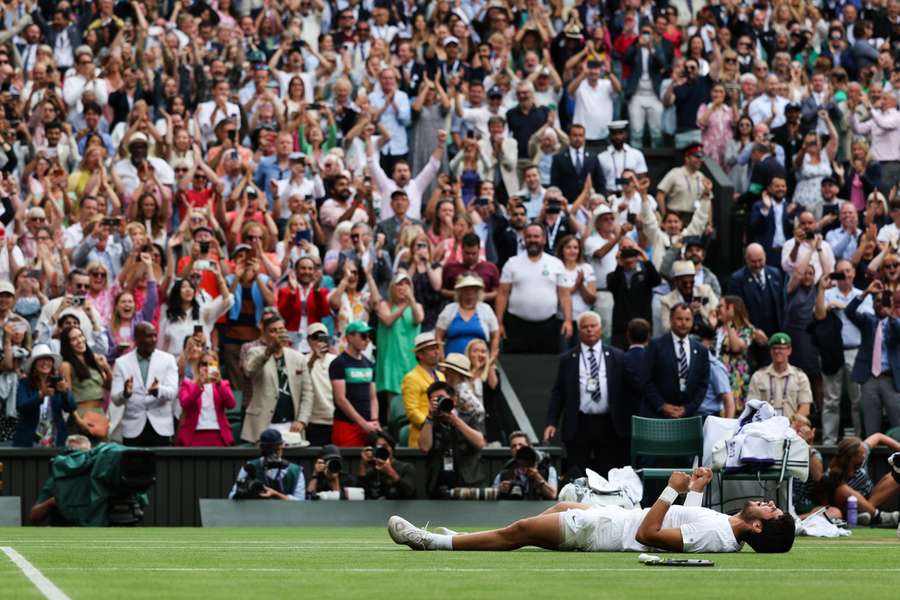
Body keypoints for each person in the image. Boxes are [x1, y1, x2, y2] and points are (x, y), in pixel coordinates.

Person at [388, 469, 795, 554]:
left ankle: (433, 542)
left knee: (521, 531)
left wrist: (671, 490)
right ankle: (483, 538)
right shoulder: (725, 528)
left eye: (772, 511)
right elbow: (685, 525)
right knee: (561, 506)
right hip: (612, 518)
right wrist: (695, 493)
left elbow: (649, 536)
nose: (771, 503)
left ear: (758, 527)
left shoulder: (721, 537)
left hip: (607, 532)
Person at [544, 311, 630, 478]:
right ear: (579, 330)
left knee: (608, 472)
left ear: (600, 329)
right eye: (585, 327)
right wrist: (551, 422)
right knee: (577, 472)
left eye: (593, 326)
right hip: (579, 424)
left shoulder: (617, 356)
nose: (589, 330)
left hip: (609, 423)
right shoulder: (568, 359)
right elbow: (558, 392)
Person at [496, 223, 572, 353]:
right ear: (524, 239)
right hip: (516, 326)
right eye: (529, 236)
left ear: (544, 239)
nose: (532, 240)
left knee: (546, 366)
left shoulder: (556, 263)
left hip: (548, 326)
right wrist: (499, 323)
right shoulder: (512, 263)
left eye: (536, 236)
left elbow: (564, 295)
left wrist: (568, 320)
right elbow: (502, 294)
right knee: (517, 367)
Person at [240, 313, 313, 444]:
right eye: (273, 331)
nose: (278, 334)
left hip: (292, 425)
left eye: (281, 330)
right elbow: (250, 371)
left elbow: (307, 392)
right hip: (263, 424)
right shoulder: (256, 352)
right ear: (265, 334)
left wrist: (302, 420)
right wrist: (269, 351)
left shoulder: (298, 357)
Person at [822, 260, 871, 443]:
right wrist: (827, 306)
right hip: (832, 351)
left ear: (853, 273)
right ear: (836, 275)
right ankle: (828, 441)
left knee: (857, 399)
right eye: (841, 272)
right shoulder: (827, 294)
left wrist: (844, 307)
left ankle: (858, 441)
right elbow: (816, 314)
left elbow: (868, 317)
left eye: (848, 271)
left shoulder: (863, 295)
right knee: (831, 400)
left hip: (856, 350)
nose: (845, 275)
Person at [109, 323, 178, 446]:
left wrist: (159, 390)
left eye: (155, 336)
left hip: (161, 428)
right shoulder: (121, 363)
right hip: (132, 429)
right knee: (134, 465)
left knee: (160, 465)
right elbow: (115, 399)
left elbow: (173, 392)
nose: (154, 340)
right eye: (148, 336)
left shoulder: (168, 360)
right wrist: (125, 394)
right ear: (136, 339)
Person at [845, 280, 900, 436]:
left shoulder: (895, 323)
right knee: (871, 426)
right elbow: (849, 312)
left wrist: (892, 316)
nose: (880, 304)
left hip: (891, 379)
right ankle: (870, 459)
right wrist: (866, 292)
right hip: (870, 379)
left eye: (884, 301)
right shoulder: (868, 321)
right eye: (877, 301)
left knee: (898, 423)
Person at [642, 304, 711, 419]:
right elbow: (646, 380)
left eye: (687, 319)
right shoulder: (655, 345)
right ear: (671, 320)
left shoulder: (701, 350)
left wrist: (688, 408)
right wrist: (662, 405)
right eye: (679, 319)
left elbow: (703, 384)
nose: (683, 323)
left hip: (688, 416)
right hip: (658, 416)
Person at [419, 381, 486, 498]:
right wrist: (430, 417)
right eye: (434, 400)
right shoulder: (429, 423)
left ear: (453, 399)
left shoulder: (468, 417)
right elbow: (424, 447)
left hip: (469, 484)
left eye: (441, 398)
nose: (439, 402)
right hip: (439, 486)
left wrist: (454, 420)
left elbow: (480, 442)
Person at [821, 434, 900, 527]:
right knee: (844, 491)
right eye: (862, 453)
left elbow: (878, 436)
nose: (864, 454)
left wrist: (899, 447)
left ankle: (868, 515)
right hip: (847, 510)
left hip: (872, 501)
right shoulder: (831, 474)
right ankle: (876, 516)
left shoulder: (862, 452)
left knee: (895, 476)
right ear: (852, 457)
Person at [13, 344, 76, 448]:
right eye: (41, 359)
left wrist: (65, 392)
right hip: (29, 439)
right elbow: (21, 406)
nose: (45, 362)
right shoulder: (25, 383)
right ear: (34, 364)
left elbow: (71, 407)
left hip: (55, 439)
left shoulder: (57, 382)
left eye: (48, 359)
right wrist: (40, 395)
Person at [375, 272, 423, 404]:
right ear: (392, 288)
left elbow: (418, 319)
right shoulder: (385, 305)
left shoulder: (416, 306)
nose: (403, 287)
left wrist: (411, 301)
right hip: (392, 360)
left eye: (407, 284)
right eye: (399, 284)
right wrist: (404, 305)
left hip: (410, 360)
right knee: (394, 402)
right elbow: (388, 321)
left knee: (412, 400)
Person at [330, 321, 379, 447]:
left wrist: (374, 420)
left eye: (369, 336)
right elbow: (340, 399)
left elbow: (373, 396)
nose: (367, 340)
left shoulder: (369, 364)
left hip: (367, 426)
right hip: (346, 426)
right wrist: (363, 423)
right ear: (350, 337)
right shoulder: (339, 363)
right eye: (363, 336)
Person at [747, 333, 813, 419]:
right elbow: (752, 406)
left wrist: (792, 423)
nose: (777, 351)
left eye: (781, 348)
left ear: (789, 350)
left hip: (791, 426)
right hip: (765, 426)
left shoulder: (800, 376)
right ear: (770, 351)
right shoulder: (758, 376)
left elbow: (805, 407)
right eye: (774, 348)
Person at [229, 429, 306, 501]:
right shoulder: (250, 467)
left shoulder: (295, 471)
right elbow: (232, 496)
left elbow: (300, 502)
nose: (273, 453)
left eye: (276, 449)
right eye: (269, 449)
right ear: (262, 449)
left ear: (281, 447)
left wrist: (276, 495)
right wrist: (247, 494)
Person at [435, 273, 499, 359]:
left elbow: (495, 336)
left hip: (479, 360)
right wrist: (441, 359)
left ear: (477, 291)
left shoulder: (486, 309)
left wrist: (492, 359)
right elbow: (438, 335)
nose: (469, 291)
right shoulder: (449, 309)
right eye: (465, 288)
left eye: (472, 288)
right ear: (460, 291)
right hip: (452, 360)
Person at [401, 332, 445, 448]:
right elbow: (412, 411)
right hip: (421, 440)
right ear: (420, 355)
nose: (436, 352)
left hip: (442, 437)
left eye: (436, 348)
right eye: (431, 349)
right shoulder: (411, 378)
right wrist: (430, 426)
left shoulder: (441, 376)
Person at [493, 431, 558, 500]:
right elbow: (491, 493)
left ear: (529, 447)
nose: (517, 448)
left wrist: (538, 477)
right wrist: (500, 490)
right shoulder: (506, 470)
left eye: (521, 445)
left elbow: (553, 495)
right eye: (513, 446)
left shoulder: (546, 468)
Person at [358, 431, 416, 500]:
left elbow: (410, 493)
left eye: (385, 446)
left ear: (391, 448)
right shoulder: (370, 472)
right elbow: (360, 497)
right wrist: (363, 465)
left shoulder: (406, 468)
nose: (383, 451)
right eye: (379, 448)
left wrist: (390, 472)